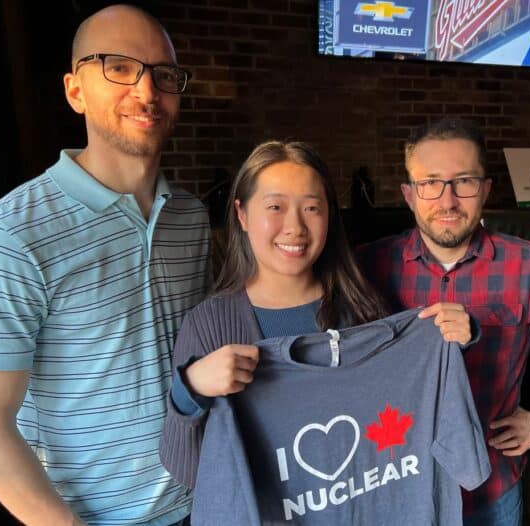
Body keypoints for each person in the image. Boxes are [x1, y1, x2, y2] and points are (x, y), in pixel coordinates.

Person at [0, 5, 207, 525]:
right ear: (74, 90)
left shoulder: (191, 219)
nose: (147, 92)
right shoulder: (9, 234)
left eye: (163, 75)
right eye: (119, 67)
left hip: (200, 503)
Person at [158, 140, 475, 498]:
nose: (295, 227)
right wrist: (191, 390)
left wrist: (449, 343)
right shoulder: (209, 324)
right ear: (242, 214)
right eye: (275, 206)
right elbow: (186, 471)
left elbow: (401, 428)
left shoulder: (361, 306)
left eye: (312, 208)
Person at [355, 117, 530, 526]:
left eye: (464, 181)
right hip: (394, 487)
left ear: (486, 190)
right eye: (430, 183)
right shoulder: (368, 265)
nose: (447, 200)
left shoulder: (528, 266)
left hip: (488, 492)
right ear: (408, 194)